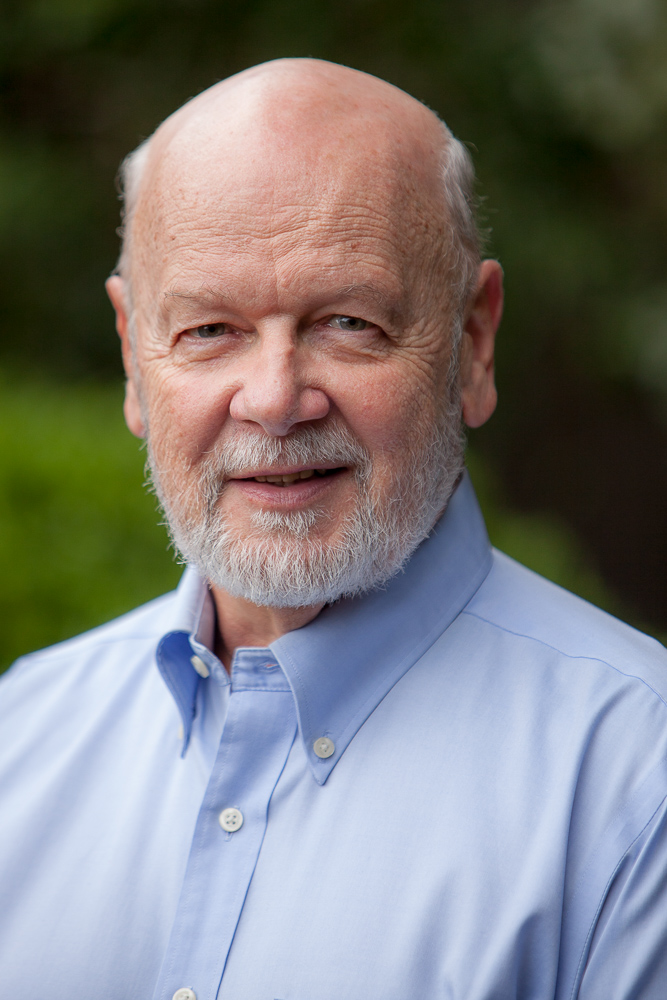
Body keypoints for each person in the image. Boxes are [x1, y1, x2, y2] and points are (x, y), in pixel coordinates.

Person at [1, 58, 666, 1000]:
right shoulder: (22, 734)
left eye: (348, 322)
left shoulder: (638, 786)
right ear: (132, 359)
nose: (273, 401)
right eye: (209, 330)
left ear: (472, 341)